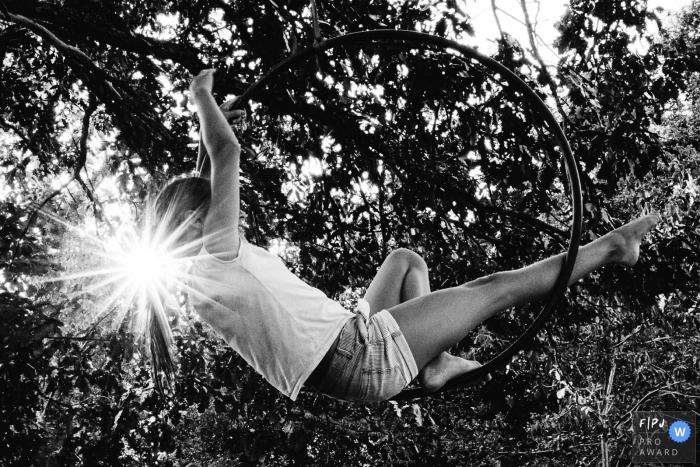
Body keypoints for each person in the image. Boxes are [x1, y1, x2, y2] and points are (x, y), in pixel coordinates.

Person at [150, 69, 660, 402]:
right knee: (494, 287)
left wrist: (206, 141)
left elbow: (205, 184)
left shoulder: (203, 278)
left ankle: (435, 363)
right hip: (359, 352)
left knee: (404, 261)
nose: (226, 207)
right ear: (197, 223)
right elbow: (226, 157)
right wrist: (201, 98)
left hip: (347, 353)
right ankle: (613, 247)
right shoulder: (217, 255)